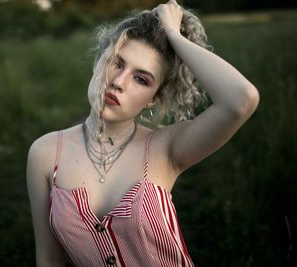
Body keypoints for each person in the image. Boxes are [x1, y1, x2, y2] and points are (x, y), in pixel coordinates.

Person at [26, 1, 259, 266]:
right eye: (116, 63)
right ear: (97, 62)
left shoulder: (166, 147)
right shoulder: (45, 153)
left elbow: (242, 100)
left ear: (152, 98)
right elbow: (48, 259)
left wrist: (173, 35)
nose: (118, 82)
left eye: (142, 79)